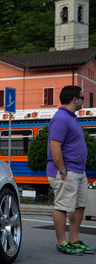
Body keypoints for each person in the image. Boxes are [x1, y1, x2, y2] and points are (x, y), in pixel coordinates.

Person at [47, 85, 95, 254]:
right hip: (66, 172)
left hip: (78, 171)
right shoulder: (61, 118)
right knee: (62, 206)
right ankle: (62, 243)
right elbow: (55, 146)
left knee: (79, 205)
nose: (84, 101)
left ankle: (74, 240)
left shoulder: (72, 117)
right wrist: (63, 171)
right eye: (82, 98)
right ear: (74, 99)